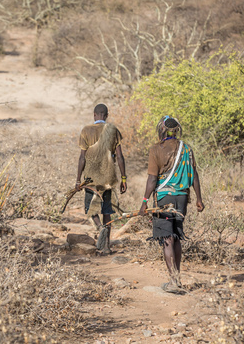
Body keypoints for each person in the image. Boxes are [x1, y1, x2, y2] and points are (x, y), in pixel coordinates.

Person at [139, 115, 205, 294]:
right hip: (182, 198)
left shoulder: (156, 150)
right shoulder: (187, 149)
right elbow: (195, 175)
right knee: (176, 236)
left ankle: (173, 281)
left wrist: (144, 203)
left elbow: (152, 179)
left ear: (162, 130)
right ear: (177, 131)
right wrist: (199, 199)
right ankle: (177, 279)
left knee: (167, 239)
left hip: (164, 200)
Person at [75, 103, 127, 255]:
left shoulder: (86, 130)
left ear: (94, 115)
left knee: (88, 208)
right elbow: (120, 157)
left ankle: (100, 228)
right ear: (106, 115)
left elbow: (82, 158)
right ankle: (107, 247)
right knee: (107, 211)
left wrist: (78, 180)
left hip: (91, 177)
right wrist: (124, 179)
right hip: (108, 176)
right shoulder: (113, 130)